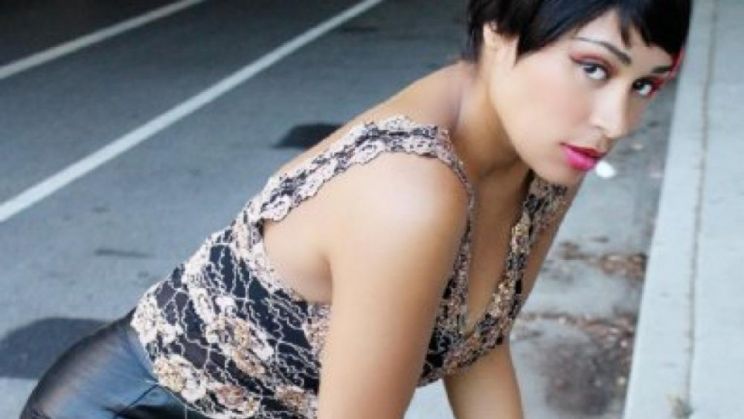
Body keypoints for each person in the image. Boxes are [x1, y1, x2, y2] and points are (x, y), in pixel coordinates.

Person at [22, 0, 691, 418]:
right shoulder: (410, 191)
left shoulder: (551, 152)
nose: (616, 122)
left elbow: (480, 346)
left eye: (646, 85)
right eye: (594, 68)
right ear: (499, 25)